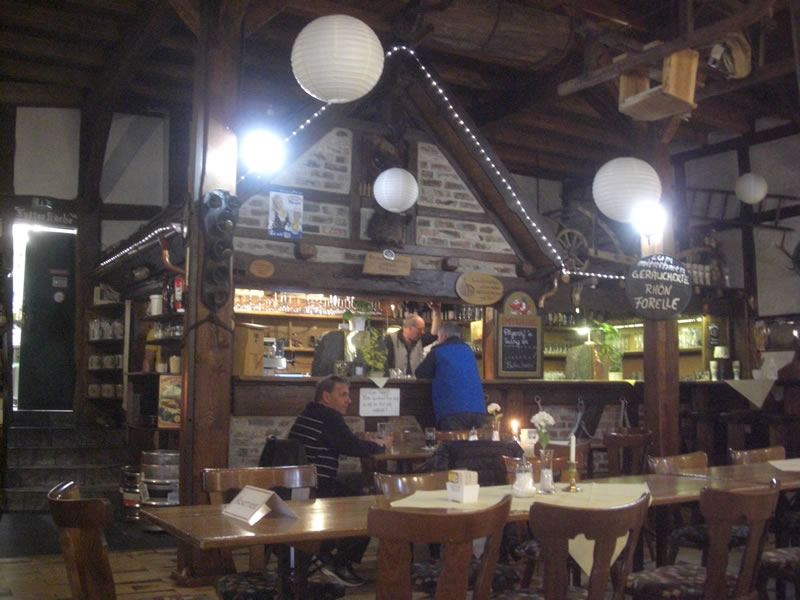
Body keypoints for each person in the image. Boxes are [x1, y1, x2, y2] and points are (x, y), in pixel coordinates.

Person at [288, 376, 388, 587]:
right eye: (343, 395)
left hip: (297, 489)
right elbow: (352, 446)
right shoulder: (328, 417)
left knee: (355, 493)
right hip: (316, 491)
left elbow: (347, 442)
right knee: (370, 508)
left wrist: (368, 444)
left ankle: (327, 556)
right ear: (326, 397)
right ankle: (338, 563)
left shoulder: (308, 414)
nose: (349, 400)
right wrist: (380, 446)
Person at [415, 321, 487, 430]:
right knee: (475, 441)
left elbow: (420, 373)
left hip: (452, 410)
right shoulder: (468, 350)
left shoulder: (438, 351)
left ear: (442, 336)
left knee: (453, 441)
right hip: (479, 410)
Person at [384, 303, 441, 376]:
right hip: (395, 381)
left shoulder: (419, 340)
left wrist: (437, 312)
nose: (423, 332)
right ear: (410, 328)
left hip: (414, 382)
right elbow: (384, 365)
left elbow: (434, 334)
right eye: (420, 329)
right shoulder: (390, 339)